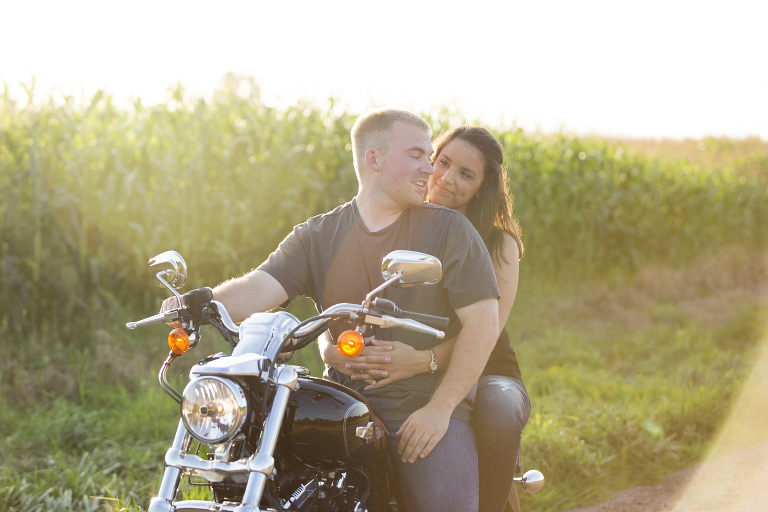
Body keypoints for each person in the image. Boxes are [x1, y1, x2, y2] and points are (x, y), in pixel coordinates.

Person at [162, 108, 500, 512]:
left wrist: (440, 408)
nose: (429, 169)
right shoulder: (318, 234)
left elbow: (483, 324)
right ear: (373, 158)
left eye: (429, 157)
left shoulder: (449, 229)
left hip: (420, 406)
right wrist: (198, 301)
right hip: (339, 403)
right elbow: (258, 287)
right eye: (415, 155)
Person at [321, 125, 530, 512]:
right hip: (406, 366)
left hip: (485, 367)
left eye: (465, 174)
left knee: (497, 406)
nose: (446, 178)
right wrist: (330, 349)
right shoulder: (393, 221)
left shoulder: (498, 244)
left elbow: (487, 330)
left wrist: (421, 360)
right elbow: (342, 305)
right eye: (443, 162)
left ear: (481, 188)